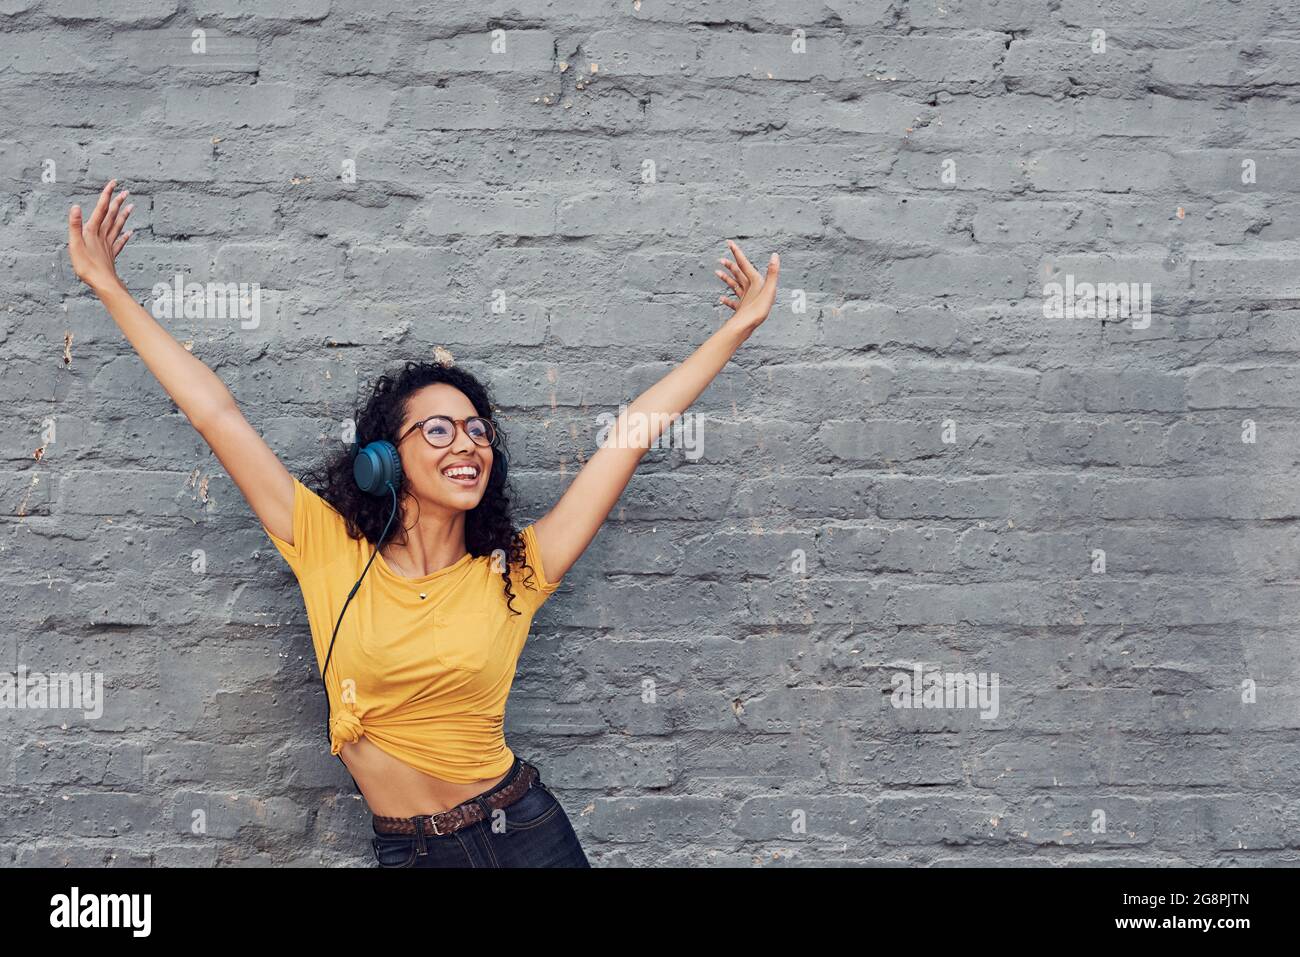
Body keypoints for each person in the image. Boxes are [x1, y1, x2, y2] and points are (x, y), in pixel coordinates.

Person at [66, 178, 782, 867]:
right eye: (437, 431)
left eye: (476, 431)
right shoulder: (325, 546)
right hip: (407, 849)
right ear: (385, 458)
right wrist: (109, 287)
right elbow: (214, 413)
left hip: (524, 835)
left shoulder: (516, 571)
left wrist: (738, 327)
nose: (465, 444)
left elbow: (631, 435)